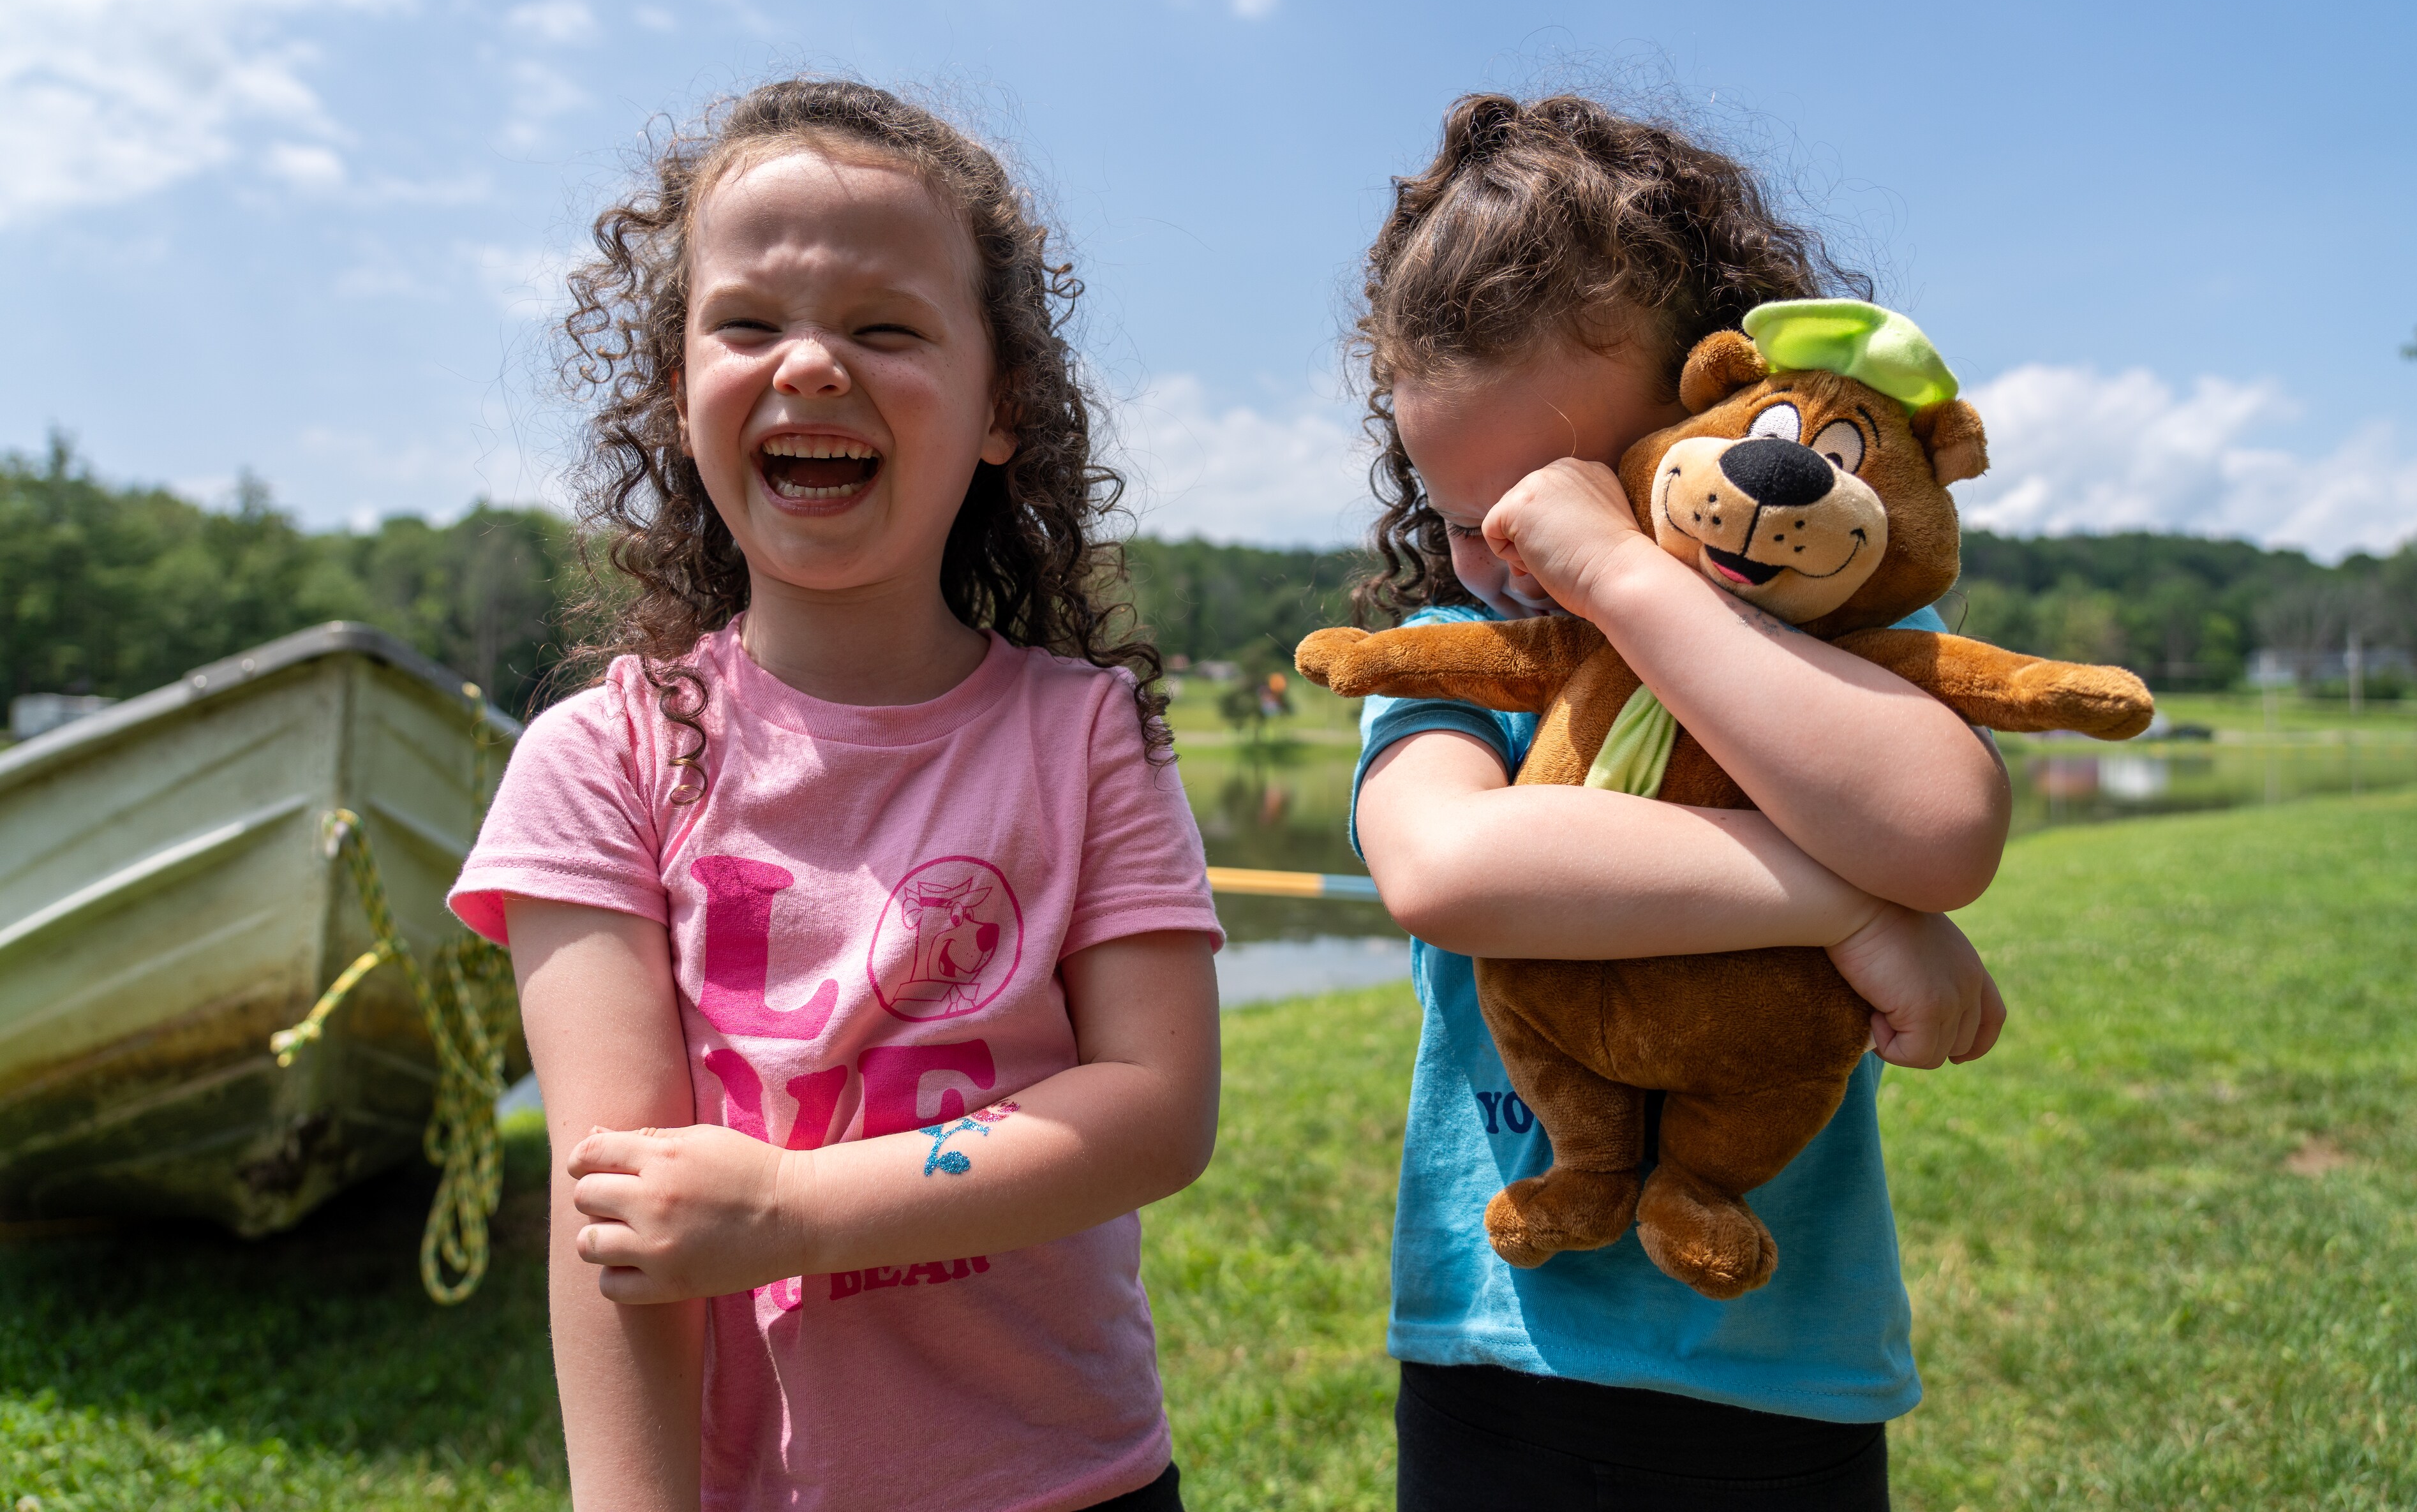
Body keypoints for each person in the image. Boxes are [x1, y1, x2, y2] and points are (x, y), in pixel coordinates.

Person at [448, 78, 1221, 1512]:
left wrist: (793, 1209)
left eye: (885, 328)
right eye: (747, 323)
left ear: (1002, 407)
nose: (808, 364)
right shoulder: (598, 760)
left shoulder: (1088, 735)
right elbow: (613, 1210)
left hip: (1075, 1486)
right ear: (676, 391)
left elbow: (1159, 1106)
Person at [1345, 93, 2014, 1510]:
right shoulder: (1455, 660)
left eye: (1558, 494)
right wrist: (1853, 907)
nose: (1517, 558)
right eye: (1462, 517)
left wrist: (1624, 573)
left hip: (1781, 1365)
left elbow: (1943, 830)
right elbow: (1451, 869)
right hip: (1500, 1358)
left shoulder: (1831, 649)